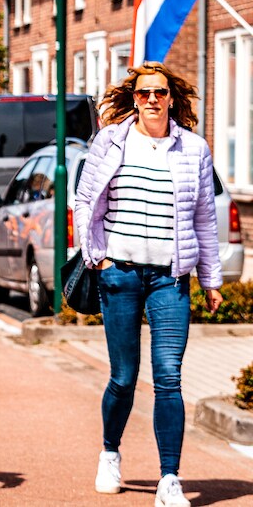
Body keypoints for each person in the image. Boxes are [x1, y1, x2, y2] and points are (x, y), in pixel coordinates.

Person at [74, 62, 223, 507]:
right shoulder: (110, 140)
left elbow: (205, 218)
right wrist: (94, 255)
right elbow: (85, 201)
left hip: (170, 278)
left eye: (159, 93)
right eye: (143, 94)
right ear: (134, 99)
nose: (152, 100)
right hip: (117, 272)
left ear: (172, 98)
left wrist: (211, 280)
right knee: (123, 376)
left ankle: (170, 479)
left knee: (169, 378)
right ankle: (110, 452)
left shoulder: (194, 149)